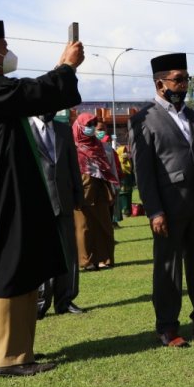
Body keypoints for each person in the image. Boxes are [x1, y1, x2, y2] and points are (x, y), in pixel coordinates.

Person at [0, 20, 82, 376]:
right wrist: (66, 67)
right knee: (15, 269)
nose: (9, 52)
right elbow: (32, 93)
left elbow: (26, 93)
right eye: (4, 45)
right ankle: (12, 358)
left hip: (0, 190)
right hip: (7, 190)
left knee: (3, 267)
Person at [129, 52, 194, 348]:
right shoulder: (144, 119)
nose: (184, 84)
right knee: (168, 270)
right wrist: (154, 211)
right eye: (178, 79)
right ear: (160, 84)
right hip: (169, 209)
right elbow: (143, 172)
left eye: (186, 78)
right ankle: (167, 327)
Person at [29, 111, 85, 316]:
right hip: (38, 203)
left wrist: (78, 193)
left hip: (64, 200)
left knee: (69, 253)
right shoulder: (24, 129)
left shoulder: (63, 129)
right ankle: (40, 302)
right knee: (42, 254)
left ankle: (66, 300)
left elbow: (73, 164)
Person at [73, 113, 118, 271]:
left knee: (104, 225)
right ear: (79, 126)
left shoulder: (99, 145)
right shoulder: (72, 146)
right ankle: (86, 261)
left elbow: (108, 167)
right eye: (88, 125)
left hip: (100, 187)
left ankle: (104, 259)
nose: (91, 129)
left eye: (93, 125)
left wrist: (113, 187)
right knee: (83, 227)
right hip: (81, 189)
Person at [116, 144, 135, 217]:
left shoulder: (128, 160)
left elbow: (131, 169)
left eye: (126, 151)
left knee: (129, 194)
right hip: (122, 178)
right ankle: (124, 212)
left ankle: (128, 211)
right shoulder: (118, 159)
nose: (125, 153)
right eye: (124, 151)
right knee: (123, 194)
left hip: (128, 179)